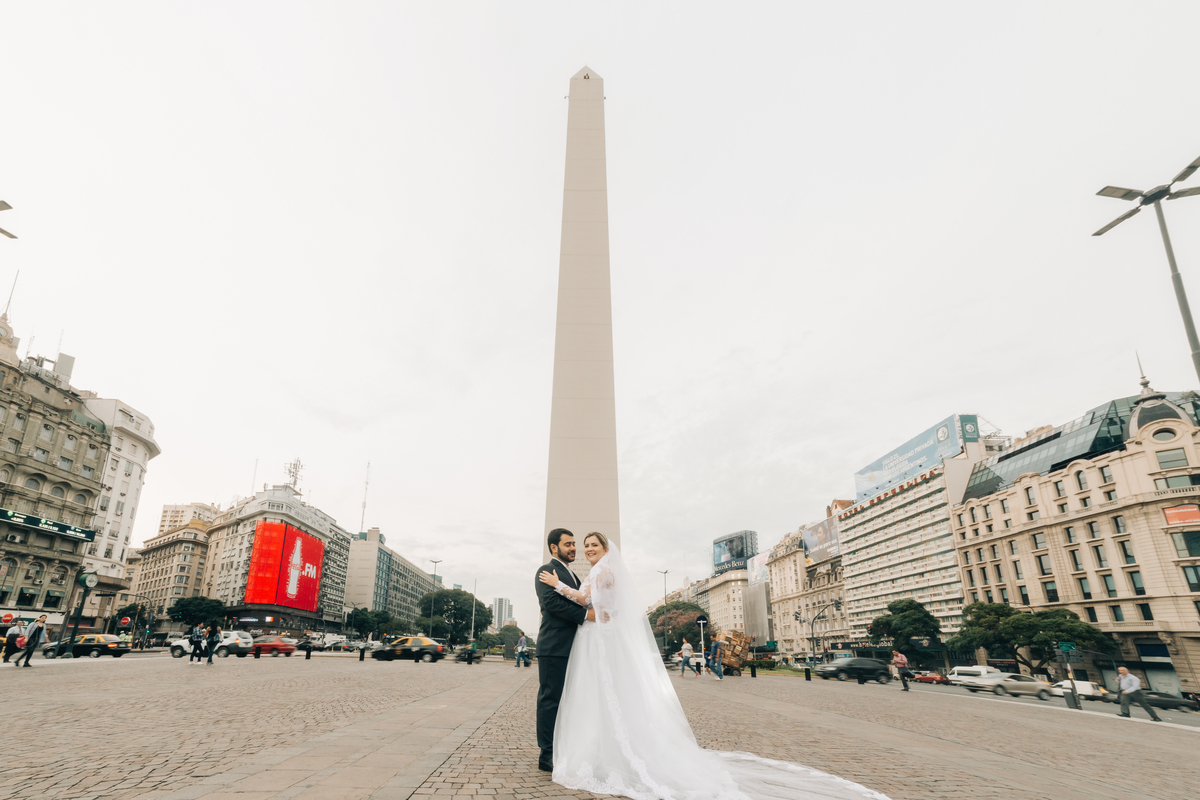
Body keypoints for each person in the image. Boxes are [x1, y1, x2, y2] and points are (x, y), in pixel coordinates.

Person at [538, 532, 891, 799]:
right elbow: (589, 606)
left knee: (601, 693)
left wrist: (561, 588)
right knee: (594, 695)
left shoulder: (601, 573)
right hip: (590, 639)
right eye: (581, 546)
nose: (585, 550)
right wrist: (570, 594)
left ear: (605, 549)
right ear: (557, 548)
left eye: (592, 546)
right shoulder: (591, 570)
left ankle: (601, 750)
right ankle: (590, 748)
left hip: (597, 639)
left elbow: (586, 600)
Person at [534, 528, 594, 773]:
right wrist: (585, 615)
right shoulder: (545, 571)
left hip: (574, 647)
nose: (574, 548)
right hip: (554, 646)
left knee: (569, 700)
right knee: (550, 700)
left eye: (574, 544)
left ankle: (563, 748)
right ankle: (546, 755)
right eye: (568, 544)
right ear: (553, 547)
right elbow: (551, 603)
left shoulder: (574, 575)